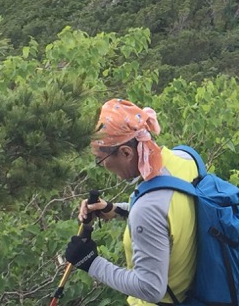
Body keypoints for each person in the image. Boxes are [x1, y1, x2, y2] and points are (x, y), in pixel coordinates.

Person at [64, 99, 198, 305]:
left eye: (100, 160)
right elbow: (172, 211)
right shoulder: (185, 159)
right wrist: (115, 209)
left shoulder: (147, 209)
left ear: (126, 152)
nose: (103, 166)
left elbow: (151, 288)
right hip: (196, 291)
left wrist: (90, 262)